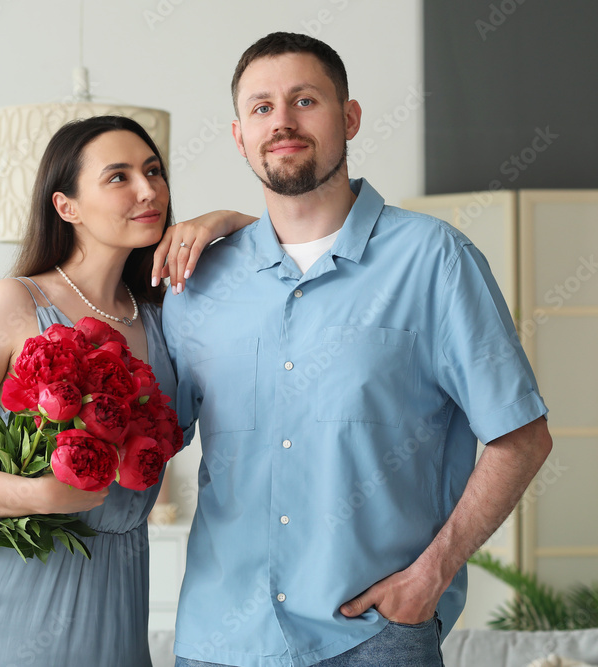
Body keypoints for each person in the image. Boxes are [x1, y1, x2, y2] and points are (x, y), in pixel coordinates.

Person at [162, 32, 553, 667]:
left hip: (373, 638)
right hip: (220, 643)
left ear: (349, 118)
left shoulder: (434, 261)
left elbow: (523, 437)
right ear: (239, 136)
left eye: (304, 100)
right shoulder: (197, 282)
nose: (282, 122)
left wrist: (430, 577)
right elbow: (149, 441)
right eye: (261, 108)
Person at [0, 115, 253, 666]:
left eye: (153, 171)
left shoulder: (165, 315)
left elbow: (289, 270)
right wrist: (40, 496)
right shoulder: (14, 305)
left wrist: (227, 221)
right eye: (119, 176)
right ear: (67, 207)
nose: (148, 189)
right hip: (13, 607)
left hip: (120, 596)